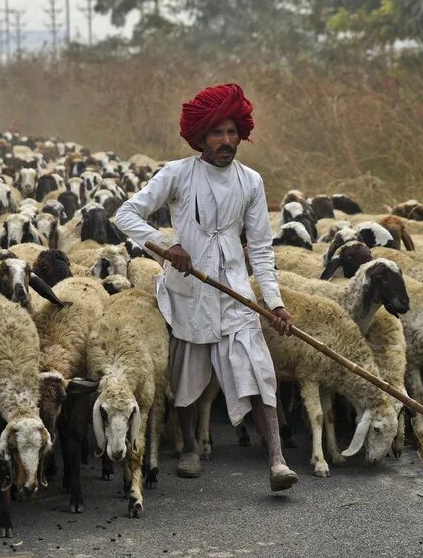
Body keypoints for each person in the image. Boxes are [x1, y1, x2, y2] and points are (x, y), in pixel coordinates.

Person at [114, 83, 299, 492]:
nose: (227, 141)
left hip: (234, 288)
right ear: (201, 137)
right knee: (186, 373)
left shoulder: (251, 182)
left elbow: (262, 250)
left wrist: (276, 303)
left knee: (259, 369)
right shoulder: (177, 174)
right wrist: (166, 246)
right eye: (218, 133)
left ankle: (277, 460)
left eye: (233, 132)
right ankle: (190, 449)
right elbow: (124, 214)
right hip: (189, 289)